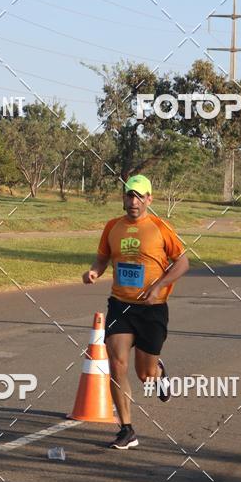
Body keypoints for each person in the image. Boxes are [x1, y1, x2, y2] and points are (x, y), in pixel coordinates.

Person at [82, 175, 189, 449]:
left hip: (152, 309)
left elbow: (182, 263)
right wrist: (94, 271)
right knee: (116, 364)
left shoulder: (160, 227)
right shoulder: (112, 227)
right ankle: (127, 429)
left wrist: (159, 286)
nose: (134, 201)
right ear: (124, 197)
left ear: (149, 199)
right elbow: (103, 257)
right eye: (130, 195)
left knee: (145, 374)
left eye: (140, 196)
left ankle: (158, 372)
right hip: (121, 305)